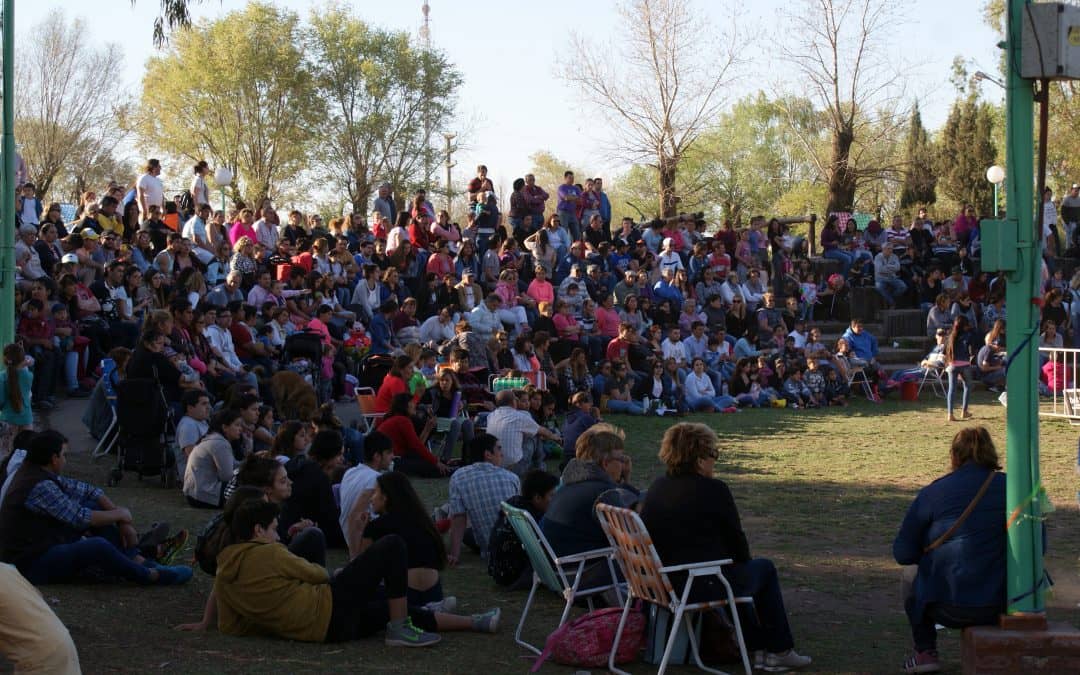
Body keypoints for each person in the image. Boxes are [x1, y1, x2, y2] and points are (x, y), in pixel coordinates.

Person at [641, 423, 812, 671]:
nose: (714, 462)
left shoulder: (657, 487)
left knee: (733, 573)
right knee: (761, 569)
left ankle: (758, 646)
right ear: (700, 460)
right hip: (695, 585)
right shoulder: (714, 490)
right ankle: (779, 649)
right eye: (714, 455)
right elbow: (738, 546)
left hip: (662, 583)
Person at [213, 498, 499, 646]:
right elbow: (318, 575)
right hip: (328, 606)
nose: (277, 537)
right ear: (258, 531)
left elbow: (230, 626)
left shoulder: (225, 572)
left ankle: (473, 622)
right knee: (392, 546)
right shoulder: (267, 552)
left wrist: (277, 619)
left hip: (328, 632)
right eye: (274, 530)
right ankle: (405, 629)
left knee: (388, 607)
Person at [0, 430, 192, 586]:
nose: (66, 460)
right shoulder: (38, 485)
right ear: (53, 458)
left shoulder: (36, 472)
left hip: (42, 546)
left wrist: (122, 520)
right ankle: (149, 575)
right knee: (96, 545)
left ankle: (138, 558)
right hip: (29, 564)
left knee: (94, 507)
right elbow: (81, 517)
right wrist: (121, 514)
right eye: (64, 455)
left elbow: (89, 491)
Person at [893, 427, 1006, 674]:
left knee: (910, 574)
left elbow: (903, 554)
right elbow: (1038, 547)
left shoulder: (934, 492)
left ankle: (925, 652)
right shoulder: (1012, 489)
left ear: (954, 455)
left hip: (946, 604)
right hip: (1003, 602)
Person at [541, 424, 634, 587]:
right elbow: (630, 540)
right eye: (620, 459)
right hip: (580, 576)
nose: (624, 465)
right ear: (605, 463)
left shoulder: (567, 487)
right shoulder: (603, 493)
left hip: (554, 572)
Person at [359, 471, 451, 609]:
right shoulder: (423, 521)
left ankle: (416, 610)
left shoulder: (376, 526)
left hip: (403, 593)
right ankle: (429, 608)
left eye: (375, 493)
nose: (371, 498)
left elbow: (361, 569)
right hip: (434, 592)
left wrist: (363, 530)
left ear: (385, 497)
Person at [446, 433, 520, 564]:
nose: (502, 453)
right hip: (517, 544)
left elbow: (458, 518)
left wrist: (454, 555)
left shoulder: (458, 477)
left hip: (489, 548)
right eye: (499, 448)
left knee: (459, 518)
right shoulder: (512, 478)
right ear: (488, 454)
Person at [486, 469, 558, 588]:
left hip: (498, 570)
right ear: (537, 498)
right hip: (515, 574)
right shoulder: (531, 516)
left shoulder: (514, 506)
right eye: (551, 495)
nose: (554, 500)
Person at [280, 430, 346, 549]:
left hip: (283, 528)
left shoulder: (296, 464)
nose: (342, 459)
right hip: (298, 533)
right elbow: (330, 521)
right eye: (339, 455)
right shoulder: (319, 477)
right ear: (329, 454)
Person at [338, 430, 394, 549]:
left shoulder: (350, 472)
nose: (392, 456)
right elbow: (354, 515)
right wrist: (354, 557)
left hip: (346, 535)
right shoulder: (376, 479)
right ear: (377, 456)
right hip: (360, 539)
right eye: (389, 453)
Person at [485, 389, 560, 475]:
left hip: (494, 464)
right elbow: (542, 431)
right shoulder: (521, 416)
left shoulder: (490, 416)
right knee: (536, 434)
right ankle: (539, 468)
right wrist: (555, 437)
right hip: (513, 467)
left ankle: (537, 467)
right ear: (514, 402)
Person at [375, 393, 449, 478]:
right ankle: (451, 470)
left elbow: (416, 446)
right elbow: (416, 446)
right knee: (432, 468)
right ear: (405, 405)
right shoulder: (402, 420)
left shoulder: (399, 418)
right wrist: (436, 462)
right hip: (391, 461)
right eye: (412, 402)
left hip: (392, 459)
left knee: (427, 461)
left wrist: (428, 428)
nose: (415, 405)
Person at [184, 409, 244, 509]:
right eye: (237, 425)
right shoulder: (220, 443)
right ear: (225, 427)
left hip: (195, 494)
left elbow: (234, 464)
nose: (240, 429)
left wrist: (252, 460)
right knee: (251, 486)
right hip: (206, 495)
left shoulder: (215, 439)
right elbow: (227, 477)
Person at [175, 390, 211, 480]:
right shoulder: (188, 425)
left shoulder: (201, 421)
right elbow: (193, 457)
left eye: (208, 403)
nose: (208, 407)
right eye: (204, 404)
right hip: (196, 479)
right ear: (190, 408)